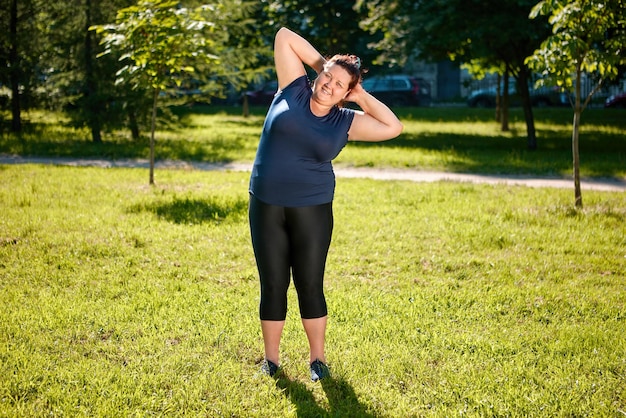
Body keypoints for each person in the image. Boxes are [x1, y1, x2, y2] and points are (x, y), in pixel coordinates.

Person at [248, 27, 403, 382]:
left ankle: (317, 360)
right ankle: (271, 361)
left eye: (338, 86)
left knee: (309, 283)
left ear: (346, 94)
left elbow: (393, 126)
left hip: (312, 209)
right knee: (272, 283)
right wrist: (327, 66)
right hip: (266, 204)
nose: (328, 85)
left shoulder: (346, 122)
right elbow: (284, 36)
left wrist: (359, 94)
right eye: (326, 78)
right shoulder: (293, 88)